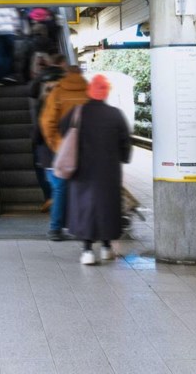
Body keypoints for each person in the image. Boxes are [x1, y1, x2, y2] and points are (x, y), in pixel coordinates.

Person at [59, 75, 131, 265]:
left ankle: (87, 250)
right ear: (106, 93)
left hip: (82, 170)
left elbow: (62, 129)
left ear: (89, 91)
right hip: (109, 171)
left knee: (86, 208)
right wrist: (122, 157)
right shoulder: (115, 114)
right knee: (107, 208)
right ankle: (107, 247)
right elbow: (125, 143)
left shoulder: (78, 112)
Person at [39, 63, 89, 241]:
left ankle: (55, 228)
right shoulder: (89, 92)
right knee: (83, 188)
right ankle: (82, 226)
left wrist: (58, 145)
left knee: (60, 189)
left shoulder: (57, 93)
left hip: (61, 151)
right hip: (85, 150)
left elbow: (47, 123)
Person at [28, 54, 67, 212]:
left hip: (47, 144)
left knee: (49, 175)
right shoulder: (66, 92)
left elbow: (42, 124)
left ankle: (53, 200)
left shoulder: (44, 99)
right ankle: (58, 201)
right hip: (62, 143)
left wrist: (36, 139)